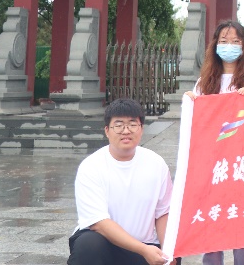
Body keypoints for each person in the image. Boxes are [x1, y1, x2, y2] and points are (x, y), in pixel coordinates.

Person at [189, 20, 244, 265]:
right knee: (212, 223)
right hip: (213, 166)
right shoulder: (203, 83)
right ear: (215, 45)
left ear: (243, 46)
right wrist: (191, 104)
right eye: (223, 41)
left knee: (242, 226)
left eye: (235, 41)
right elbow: (198, 124)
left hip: (243, 164)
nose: (229, 46)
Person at [68, 98, 173, 265]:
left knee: (174, 251)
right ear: (107, 130)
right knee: (88, 244)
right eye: (118, 125)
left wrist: (168, 252)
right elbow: (98, 223)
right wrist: (143, 249)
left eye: (132, 124)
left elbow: (163, 213)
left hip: (145, 245)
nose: (126, 131)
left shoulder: (156, 163)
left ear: (141, 129)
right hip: (105, 245)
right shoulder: (91, 166)